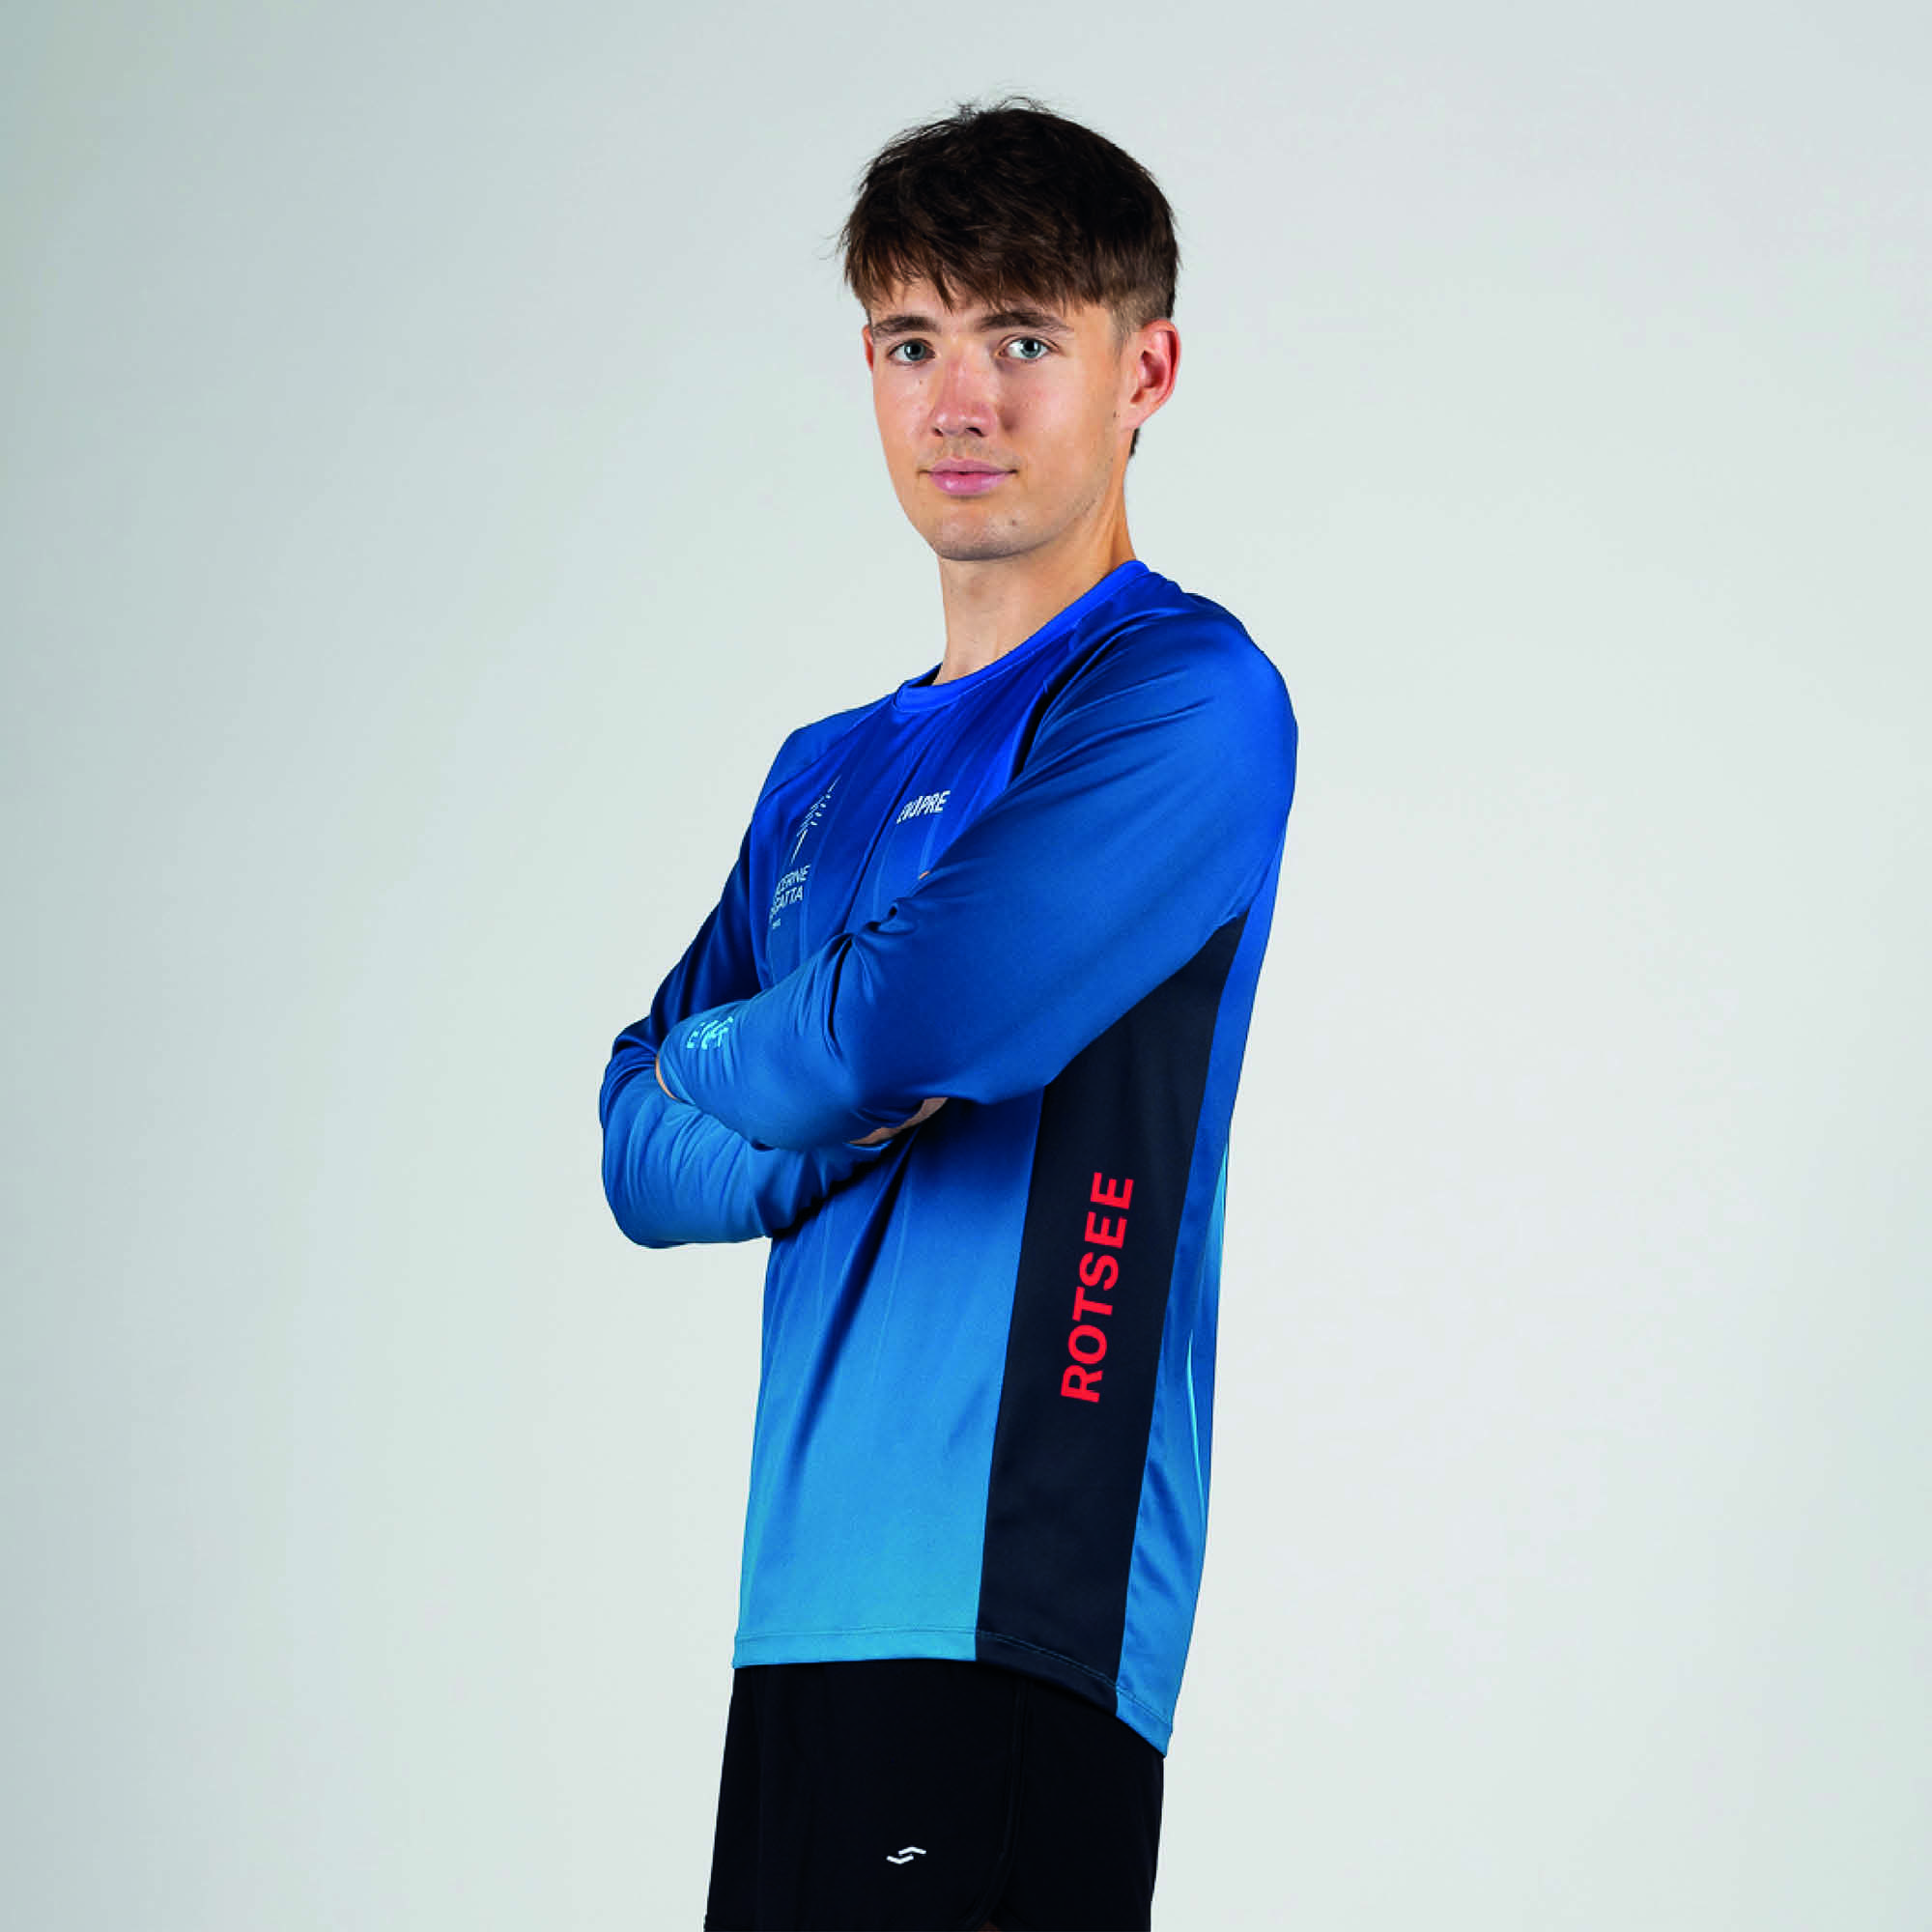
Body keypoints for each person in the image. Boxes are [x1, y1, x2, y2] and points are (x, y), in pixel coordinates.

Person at [599, 96, 1297, 1932]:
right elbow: (634, 1143)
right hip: (796, 1610)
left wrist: (808, 1062)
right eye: (913, 342)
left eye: (1022, 340)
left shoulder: (1181, 698)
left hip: (1012, 1605)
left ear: (1146, 371)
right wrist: (819, 1087)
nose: (959, 400)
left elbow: (899, 1033)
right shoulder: (822, 773)